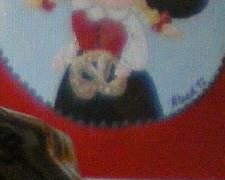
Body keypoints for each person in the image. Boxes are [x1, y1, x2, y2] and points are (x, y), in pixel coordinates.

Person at [43, 0, 210, 125]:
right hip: (81, 77)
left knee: (136, 117)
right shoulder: (84, 14)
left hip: (124, 78)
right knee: (71, 115)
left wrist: (127, 66)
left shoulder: (129, 19)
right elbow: (77, 42)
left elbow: (138, 46)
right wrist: (63, 56)